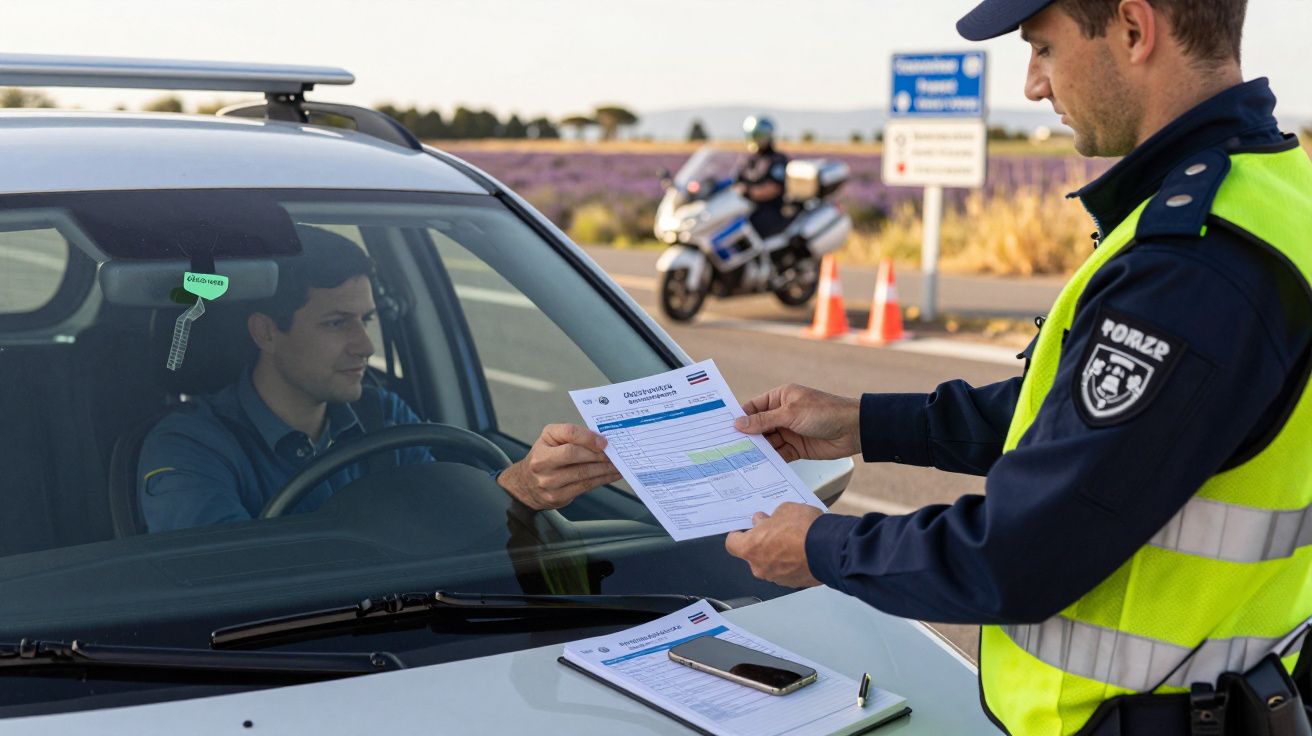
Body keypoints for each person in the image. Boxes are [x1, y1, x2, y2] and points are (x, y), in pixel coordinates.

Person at [724, 1, 1312, 734]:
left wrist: (818, 546)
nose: (1034, 85)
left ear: (1134, 28)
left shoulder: (1190, 267)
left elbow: (1017, 556)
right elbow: (1088, 419)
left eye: (1043, 49)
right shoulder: (1275, 191)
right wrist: (865, 423)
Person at [139, 228, 620, 533]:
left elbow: (446, 519)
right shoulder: (190, 445)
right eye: (336, 323)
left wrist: (523, 487)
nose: (364, 346)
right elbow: (227, 581)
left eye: (365, 320)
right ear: (266, 331)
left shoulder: (384, 416)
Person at [736, 115, 794, 242]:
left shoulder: (777, 160)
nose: (756, 140)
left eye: (759, 136)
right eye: (753, 136)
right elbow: (736, 182)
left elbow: (773, 188)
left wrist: (748, 192)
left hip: (771, 211)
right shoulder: (749, 160)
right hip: (746, 208)